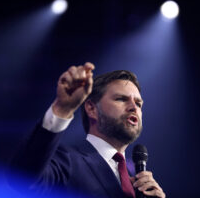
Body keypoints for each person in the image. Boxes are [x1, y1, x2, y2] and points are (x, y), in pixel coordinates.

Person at [9, 62, 165, 198]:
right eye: (121, 99)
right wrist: (62, 109)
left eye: (138, 104)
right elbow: (24, 179)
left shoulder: (137, 185)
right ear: (91, 108)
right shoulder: (68, 160)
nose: (133, 107)